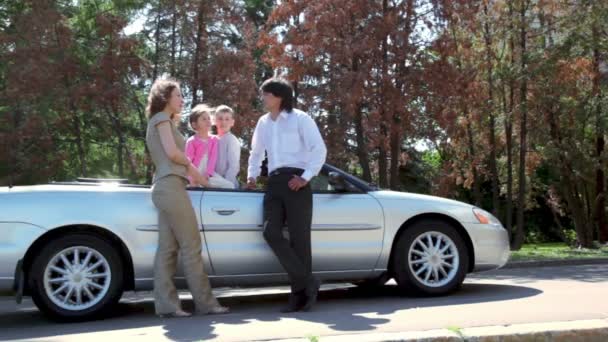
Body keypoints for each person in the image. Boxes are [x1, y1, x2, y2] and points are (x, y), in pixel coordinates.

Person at [145, 79, 229, 318]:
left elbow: (174, 157)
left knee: (168, 249)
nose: (182, 100)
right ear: (165, 97)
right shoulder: (162, 119)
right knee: (191, 246)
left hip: (164, 186)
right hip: (171, 187)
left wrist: (201, 179)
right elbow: (174, 154)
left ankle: (167, 307)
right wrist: (198, 175)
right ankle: (206, 304)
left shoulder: (161, 121)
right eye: (178, 95)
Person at [247, 77, 327, 312]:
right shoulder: (263, 122)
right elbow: (256, 152)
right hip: (274, 183)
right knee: (270, 232)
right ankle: (308, 281)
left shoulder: (300, 119)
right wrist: (252, 175)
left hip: (297, 183)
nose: (262, 98)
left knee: (300, 240)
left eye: (266, 94)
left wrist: (305, 177)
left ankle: (299, 296)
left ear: (278, 96)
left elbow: (319, 149)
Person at [186, 104, 234, 189]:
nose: (208, 121)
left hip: (209, 175)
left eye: (209, 118)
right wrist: (191, 178)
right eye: (204, 119)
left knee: (230, 186)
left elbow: (213, 158)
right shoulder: (191, 141)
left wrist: (208, 174)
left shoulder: (214, 140)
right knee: (193, 186)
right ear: (194, 125)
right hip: (194, 174)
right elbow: (188, 162)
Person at [213, 105, 241, 188]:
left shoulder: (231, 140)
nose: (223, 122)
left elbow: (234, 166)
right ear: (214, 121)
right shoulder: (212, 140)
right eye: (220, 119)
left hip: (227, 186)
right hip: (214, 182)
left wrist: (226, 184)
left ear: (232, 122)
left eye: (227, 119)